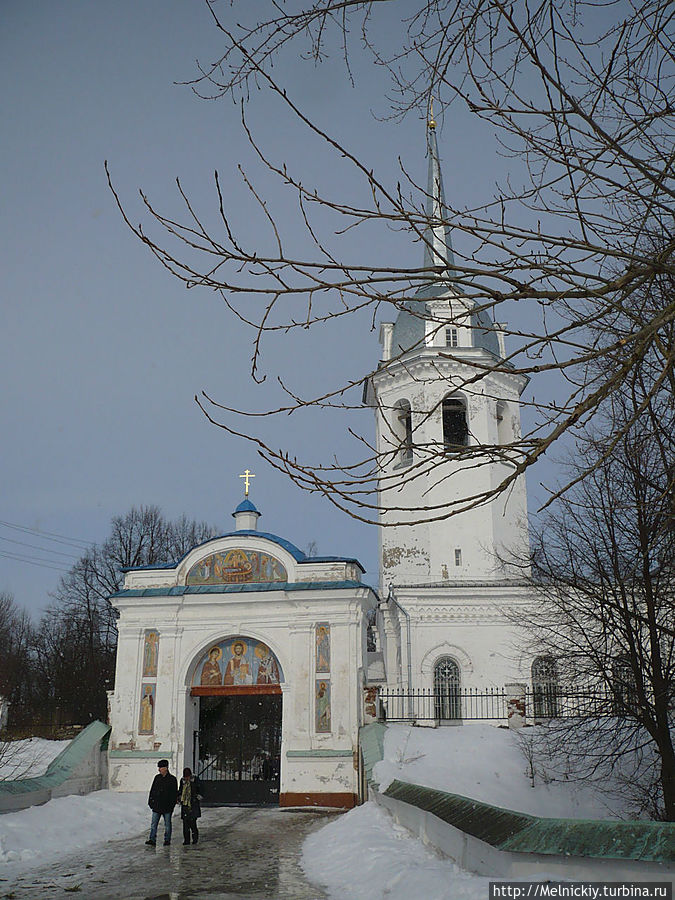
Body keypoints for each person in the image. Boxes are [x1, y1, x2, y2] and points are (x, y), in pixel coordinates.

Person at [146, 759, 178, 846]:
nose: (159, 769)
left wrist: (171, 805)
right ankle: (152, 839)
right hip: (156, 805)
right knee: (153, 824)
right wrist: (151, 801)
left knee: (167, 824)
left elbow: (174, 794)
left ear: (166, 768)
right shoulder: (157, 778)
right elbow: (152, 790)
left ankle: (167, 839)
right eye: (159, 767)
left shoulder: (172, 779)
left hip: (167, 807)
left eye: (161, 767)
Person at [178, 767, 202, 845]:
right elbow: (180, 791)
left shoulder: (195, 780)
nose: (187, 778)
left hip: (193, 804)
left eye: (188, 776)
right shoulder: (183, 781)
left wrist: (197, 797)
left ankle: (195, 839)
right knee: (185, 824)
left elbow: (201, 790)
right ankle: (186, 840)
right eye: (185, 776)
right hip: (185, 804)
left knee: (192, 823)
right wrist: (179, 798)